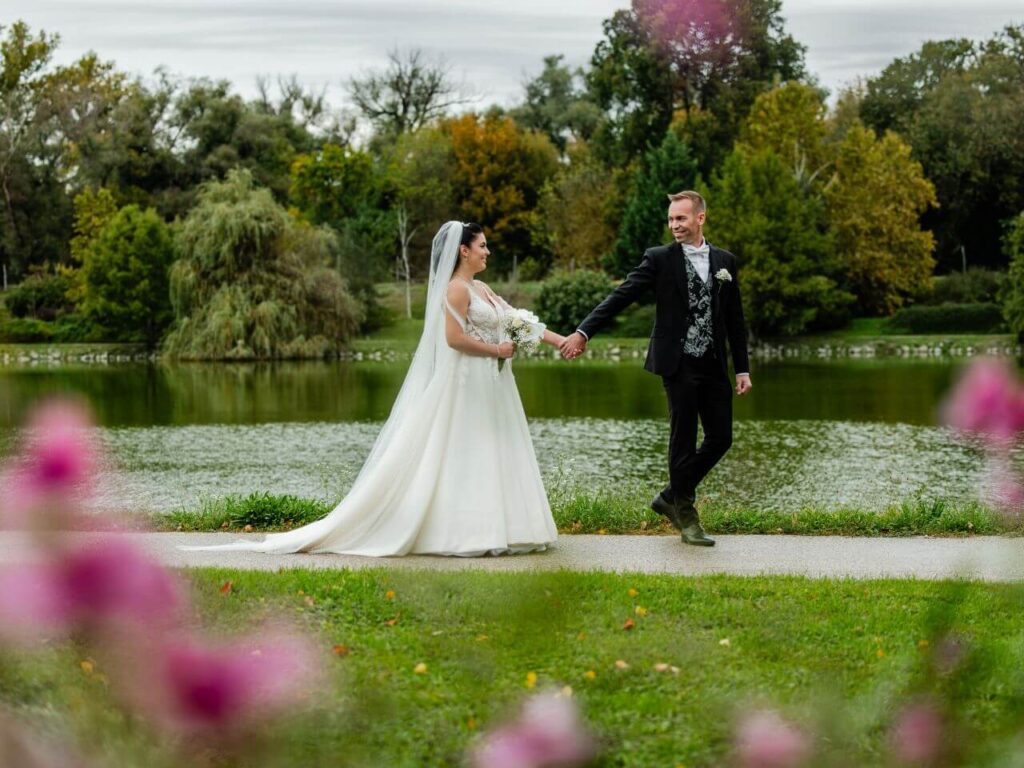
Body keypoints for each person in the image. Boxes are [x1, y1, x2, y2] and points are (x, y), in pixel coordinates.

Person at [185, 222, 564, 556]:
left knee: (493, 448)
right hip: (467, 382)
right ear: (463, 250)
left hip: (492, 384)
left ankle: (505, 528)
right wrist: (496, 350)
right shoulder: (455, 290)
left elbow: (516, 320)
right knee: (464, 451)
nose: (488, 251)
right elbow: (453, 339)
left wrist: (561, 340)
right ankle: (462, 533)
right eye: (482, 245)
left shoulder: (481, 287)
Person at [560, 191, 751, 547]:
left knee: (721, 438)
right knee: (682, 439)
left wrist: (742, 368)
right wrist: (584, 331)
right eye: (671, 219)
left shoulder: (725, 261)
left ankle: (669, 496)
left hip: (713, 364)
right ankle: (686, 514)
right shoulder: (660, 259)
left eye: (681, 218)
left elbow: (734, 319)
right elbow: (621, 295)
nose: (674, 225)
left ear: (700, 218)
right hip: (677, 363)